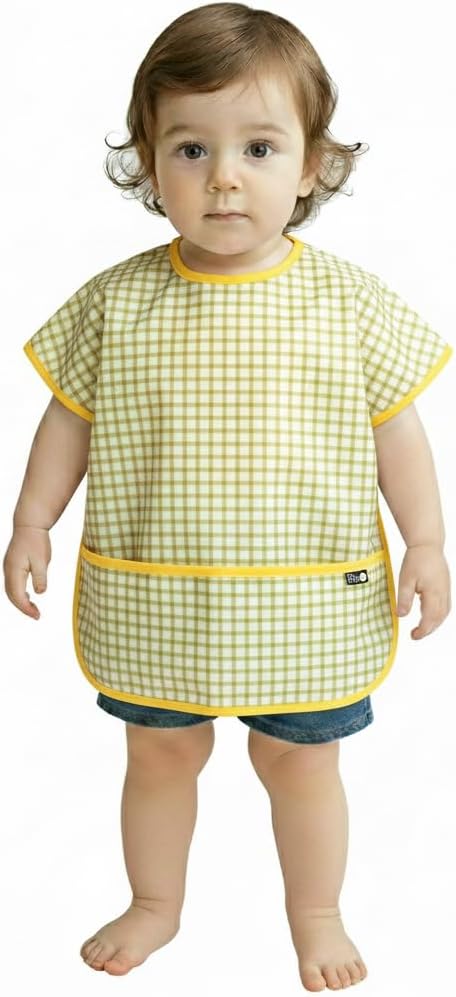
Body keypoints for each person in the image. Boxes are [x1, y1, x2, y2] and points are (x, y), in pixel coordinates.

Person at [3, 2, 452, 990]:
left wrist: (425, 541)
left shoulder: (349, 301)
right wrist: (32, 519)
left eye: (258, 147)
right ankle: (155, 903)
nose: (224, 177)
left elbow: (399, 431)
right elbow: (68, 421)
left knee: (302, 764)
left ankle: (317, 913)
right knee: (159, 758)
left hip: (307, 601)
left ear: (314, 164)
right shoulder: (116, 300)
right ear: (148, 162)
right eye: (191, 148)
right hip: (158, 596)